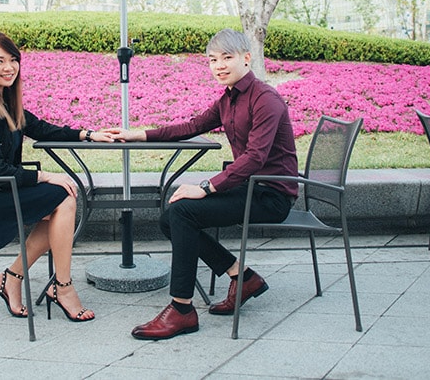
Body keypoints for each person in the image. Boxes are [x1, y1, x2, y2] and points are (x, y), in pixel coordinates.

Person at [112, 28, 298, 340]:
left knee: (182, 213)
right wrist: (140, 134)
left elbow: (254, 157)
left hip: (272, 194)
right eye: (213, 60)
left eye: (227, 58)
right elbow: (193, 126)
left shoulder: (266, 99)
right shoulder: (229, 100)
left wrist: (207, 187)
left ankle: (182, 309)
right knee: (171, 216)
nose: (219, 65)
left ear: (246, 59)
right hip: (250, 187)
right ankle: (242, 276)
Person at [0, 31, 112, 322]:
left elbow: (42, 128)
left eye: (13, 60)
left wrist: (87, 134)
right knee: (62, 198)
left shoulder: (4, 99)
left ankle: (15, 278)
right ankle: (60, 287)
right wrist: (44, 176)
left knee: (61, 202)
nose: (8, 67)